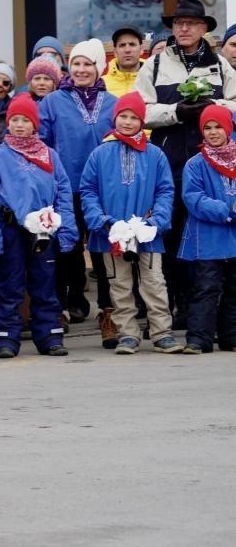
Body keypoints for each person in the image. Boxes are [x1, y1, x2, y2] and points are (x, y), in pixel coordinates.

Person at [136, 0, 236, 332]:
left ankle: (209, 311)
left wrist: (212, 106)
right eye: (178, 23)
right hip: (168, 164)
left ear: (204, 28)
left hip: (213, 168)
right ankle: (175, 306)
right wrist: (176, 112)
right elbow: (138, 111)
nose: (183, 28)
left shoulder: (220, 64)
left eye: (191, 23)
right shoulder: (154, 64)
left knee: (208, 235)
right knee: (172, 233)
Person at [78, 93, 179, 355]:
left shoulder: (155, 154)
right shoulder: (100, 153)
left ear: (142, 122)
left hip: (147, 233)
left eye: (134, 117)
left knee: (154, 283)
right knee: (120, 284)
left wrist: (156, 221)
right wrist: (102, 221)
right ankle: (128, 334)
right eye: (123, 116)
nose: (128, 122)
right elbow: (88, 190)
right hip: (112, 233)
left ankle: (162, 333)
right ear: (115, 118)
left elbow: (165, 190)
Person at [0, 93, 78, 358]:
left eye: (25, 120)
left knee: (45, 282)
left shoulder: (50, 155)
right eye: (15, 120)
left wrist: (66, 228)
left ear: (35, 124)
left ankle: (49, 335)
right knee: (9, 283)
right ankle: (5, 338)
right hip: (11, 228)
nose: (20, 125)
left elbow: (63, 191)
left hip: (43, 230)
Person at [39, 38, 116, 328]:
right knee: (65, 249)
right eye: (76, 64)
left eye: (88, 64)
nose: (81, 70)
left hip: (102, 189)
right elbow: (42, 144)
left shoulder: (113, 103)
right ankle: (62, 306)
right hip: (64, 187)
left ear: (99, 67)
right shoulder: (52, 102)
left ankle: (109, 310)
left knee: (103, 250)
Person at [177, 104, 236, 354]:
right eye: (208, 128)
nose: (213, 132)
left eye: (218, 127)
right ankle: (199, 339)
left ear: (229, 129)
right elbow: (193, 198)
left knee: (234, 289)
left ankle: (231, 337)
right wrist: (227, 210)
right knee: (206, 288)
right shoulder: (196, 163)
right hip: (208, 237)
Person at [104, 26, 145, 96]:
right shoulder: (101, 85)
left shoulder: (154, 81)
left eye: (132, 44)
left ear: (141, 49)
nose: (127, 50)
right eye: (122, 45)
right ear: (115, 52)